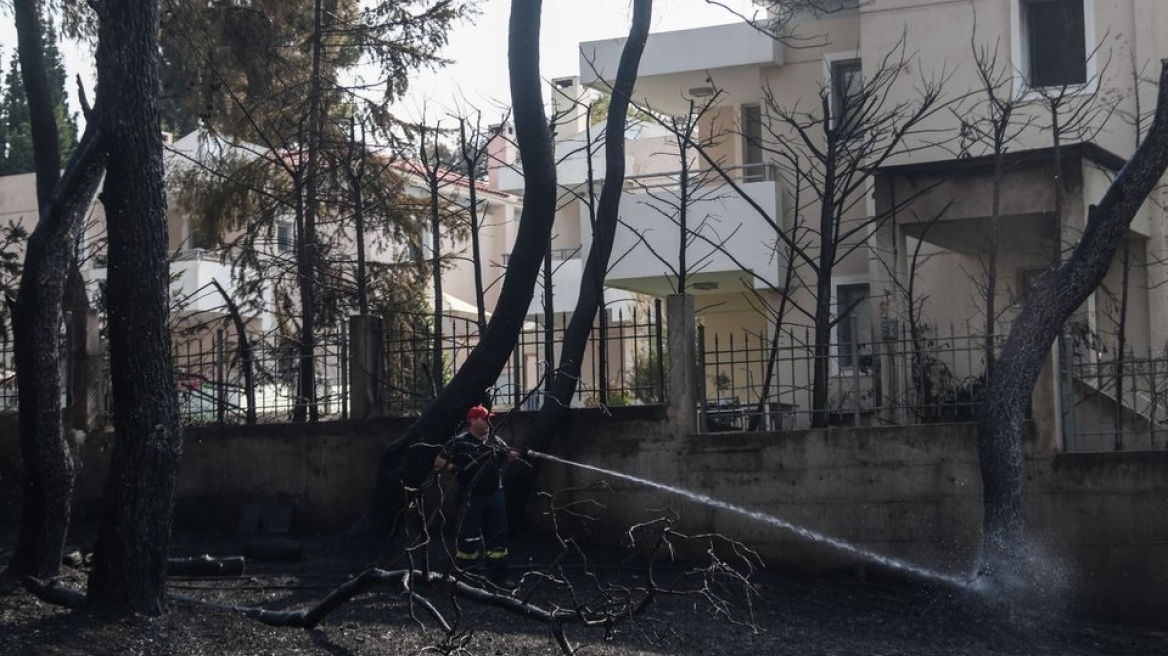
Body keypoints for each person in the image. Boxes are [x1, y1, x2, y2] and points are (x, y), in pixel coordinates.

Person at [433, 403, 523, 587]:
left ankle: (498, 577)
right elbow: (438, 461)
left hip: (494, 495)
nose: (489, 422)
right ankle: (466, 578)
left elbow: (510, 456)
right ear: (473, 420)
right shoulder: (459, 442)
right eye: (485, 419)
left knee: (498, 535)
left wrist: (518, 454)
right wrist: (453, 468)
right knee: (468, 536)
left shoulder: (494, 441)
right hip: (470, 496)